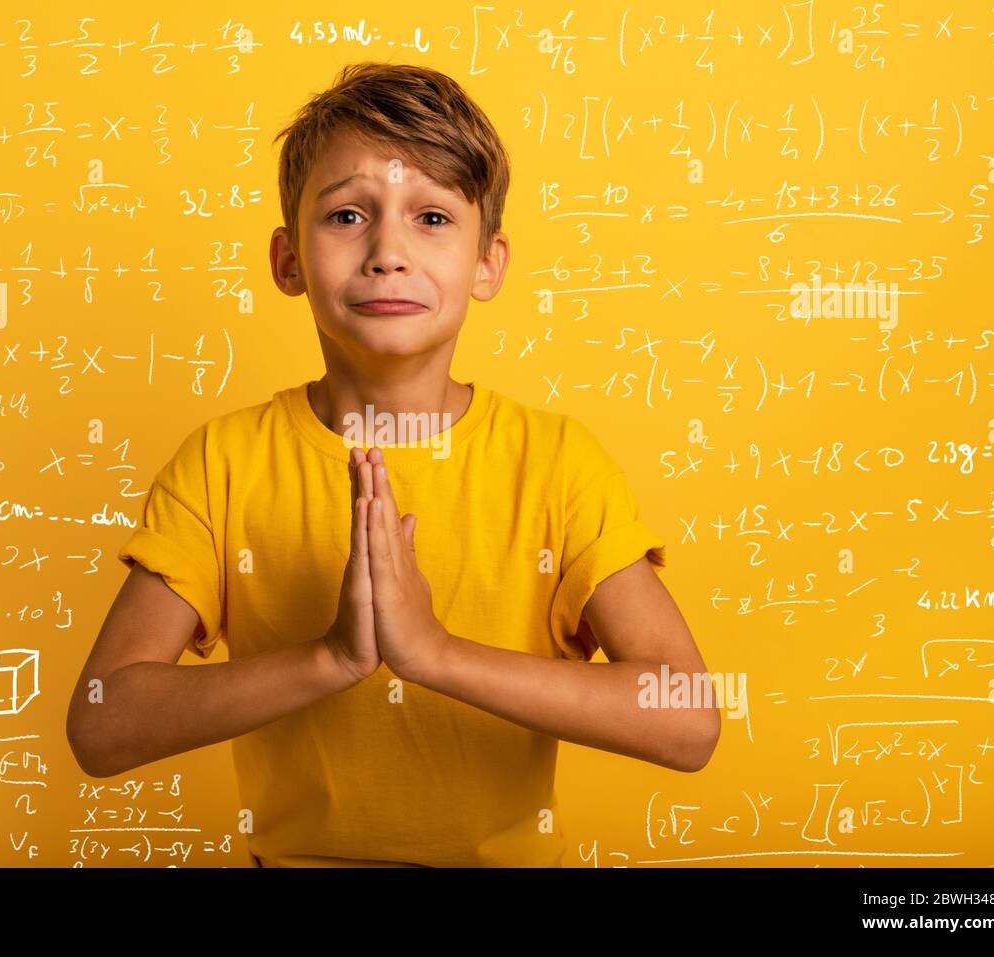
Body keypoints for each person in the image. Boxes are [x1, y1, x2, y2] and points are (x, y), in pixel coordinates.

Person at [66, 62, 718, 867]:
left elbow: (688, 718)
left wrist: (435, 654)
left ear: (488, 263)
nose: (387, 252)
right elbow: (101, 723)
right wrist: (333, 657)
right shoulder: (224, 462)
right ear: (288, 259)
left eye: (433, 217)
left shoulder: (557, 464)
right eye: (347, 214)